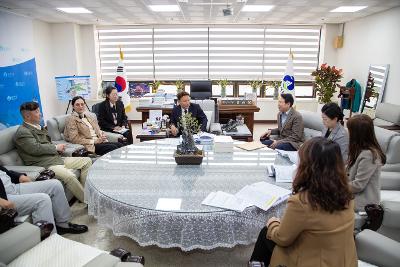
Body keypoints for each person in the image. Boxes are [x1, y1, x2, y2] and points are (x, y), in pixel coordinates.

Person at [250, 137, 356, 267]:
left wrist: (273, 222)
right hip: (341, 259)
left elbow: (282, 238)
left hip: (313, 260)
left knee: (266, 232)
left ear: (308, 167)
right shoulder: (346, 192)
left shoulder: (302, 202)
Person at [14, 102, 92, 203]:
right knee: (70, 176)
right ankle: (88, 201)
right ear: (27, 116)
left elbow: (47, 143)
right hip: (44, 164)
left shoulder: (37, 126)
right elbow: (35, 148)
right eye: (37, 112)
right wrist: (55, 148)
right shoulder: (23, 132)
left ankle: (85, 191)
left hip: (56, 159)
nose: (40, 114)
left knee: (87, 161)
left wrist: (58, 148)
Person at [0, 166, 88, 234]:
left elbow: (3, 169)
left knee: (55, 184)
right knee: (42, 199)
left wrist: (20, 176)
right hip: (5, 198)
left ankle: (62, 224)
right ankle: (50, 239)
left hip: (12, 187)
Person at [347, 114, 386, 211]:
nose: (347, 132)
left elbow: (358, 185)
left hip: (363, 203)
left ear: (356, 134)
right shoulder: (358, 150)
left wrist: (335, 186)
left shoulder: (369, 155)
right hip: (353, 197)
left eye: (349, 130)